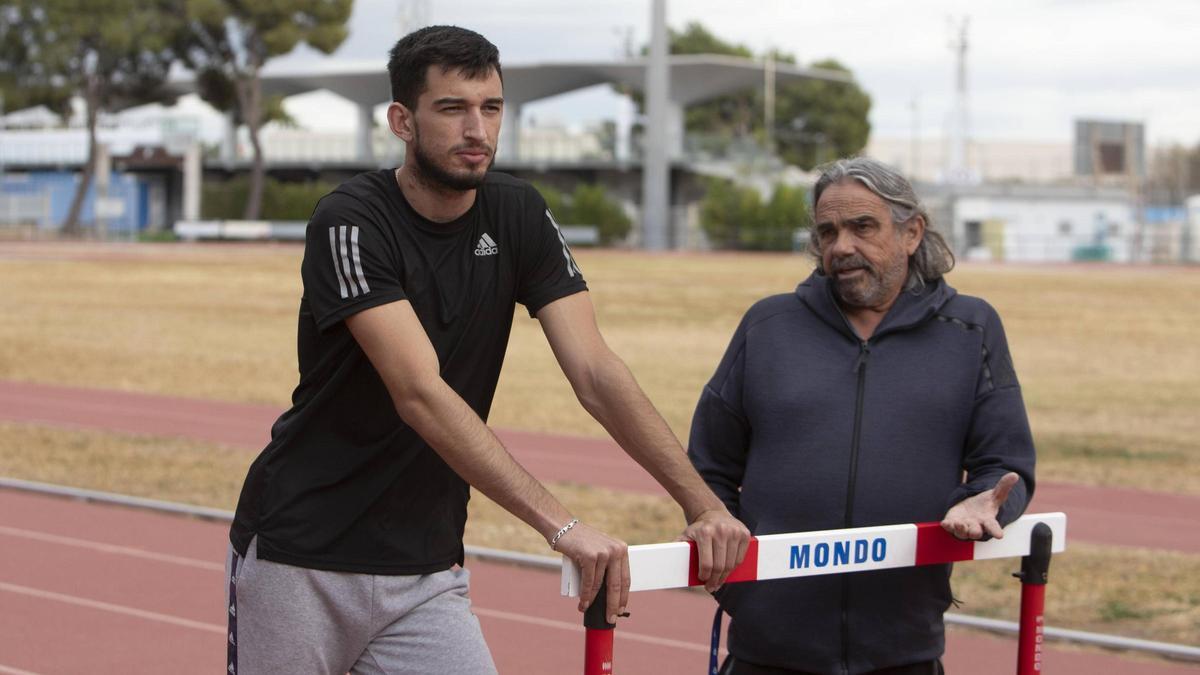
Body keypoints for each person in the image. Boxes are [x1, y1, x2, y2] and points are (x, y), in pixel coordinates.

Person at [225, 25, 749, 675]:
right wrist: (561, 525)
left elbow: (594, 369)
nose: (477, 129)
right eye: (452, 108)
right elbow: (420, 393)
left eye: (491, 108)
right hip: (302, 555)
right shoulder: (351, 219)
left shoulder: (517, 212)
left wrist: (700, 501)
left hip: (425, 569)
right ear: (402, 120)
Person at [688, 156, 1036, 675]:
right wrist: (720, 535)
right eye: (827, 232)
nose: (841, 246)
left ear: (911, 232)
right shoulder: (768, 325)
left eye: (862, 227)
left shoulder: (972, 328)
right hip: (767, 649)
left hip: (905, 650)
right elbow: (708, 465)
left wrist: (981, 505)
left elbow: (1004, 464)